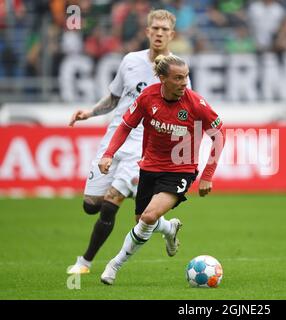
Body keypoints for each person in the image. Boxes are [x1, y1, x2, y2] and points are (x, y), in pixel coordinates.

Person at [67, 9, 184, 275]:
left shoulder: (177, 70)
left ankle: (84, 263)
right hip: (114, 137)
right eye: (154, 28)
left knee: (112, 201)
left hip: (144, 145)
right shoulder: (130, 61)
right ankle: (168, 227)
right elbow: (114, 96)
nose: (158, 33)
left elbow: (184, 110)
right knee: (91, 205)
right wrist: (89, 113)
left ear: (172, 35)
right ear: (146, 31)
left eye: (164, 30)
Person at [99, 54, 226, 285]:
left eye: (186, 76)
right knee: (142, 219)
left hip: (181, 170)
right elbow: (125, 126)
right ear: (162, 78)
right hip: (149, 166)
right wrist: (109, 154)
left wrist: (207, 175)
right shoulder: (148, 97)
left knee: (148, 216)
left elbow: (219, 135)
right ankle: (169, 228)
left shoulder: (196, 103)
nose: (184, 83)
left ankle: (114, 264)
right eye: (178, 78)